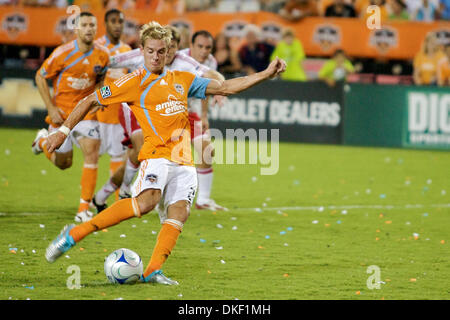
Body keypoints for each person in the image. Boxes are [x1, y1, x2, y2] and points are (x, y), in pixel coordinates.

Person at [44, 21, 286, 286]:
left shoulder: (183, 80)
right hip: (157, 156)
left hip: (184, 161)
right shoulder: (134, 82)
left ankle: (152, 271)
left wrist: (265, 73)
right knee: (146, 203)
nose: (157, 56)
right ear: (142, 50)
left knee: (179, 213)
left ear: (169, 51)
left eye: (162, 51)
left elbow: (227, 86)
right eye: (151, 51)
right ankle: (74, 234)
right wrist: (63, 131)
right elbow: (90, 99)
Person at [92, 26, 225, 213]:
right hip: (135, 110)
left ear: (177, 48)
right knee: (139, 151)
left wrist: (220, 93)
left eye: (171, 48)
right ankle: (121, 191)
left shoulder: (185, 62)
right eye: (165, 47)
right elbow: (106, 62)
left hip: (174, 112)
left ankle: (201, 199)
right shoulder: (141, 56)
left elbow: (211, 79)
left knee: (201, 149)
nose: (167, 52)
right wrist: (96, 83)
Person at [32, 12, 109, 222]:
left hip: (85, 114)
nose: (89, 29)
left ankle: (83, 209)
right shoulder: (62, 53)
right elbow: (40, 75)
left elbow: (101, 79)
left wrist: (98, 99)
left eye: (92, 25)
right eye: (84, 25)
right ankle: (41, 142)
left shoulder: (103, 55)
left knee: (92, 152)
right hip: (62, 114)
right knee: (63, 163)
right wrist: (50, 108)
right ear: (76, 29)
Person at [179, 30, 228, 211]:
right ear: (191, 46)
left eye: (208, 47)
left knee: (206, 150)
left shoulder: (211, 62)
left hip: (191, 112)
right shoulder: (179, 58)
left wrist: (204, 115)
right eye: (200, 46)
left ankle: (203, 200)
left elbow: (206, 90)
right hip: (171, 113)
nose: (204, 51)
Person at [93, 8, 132, 206]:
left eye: (121, 21)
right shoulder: (97, 47)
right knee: (89, 156)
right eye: (114, 21)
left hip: (118, 113)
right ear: (105, 24)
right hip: (97, 112)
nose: (118, 25)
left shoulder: (127, 51)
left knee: (118, 155)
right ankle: (85, 202)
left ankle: (116, 200)